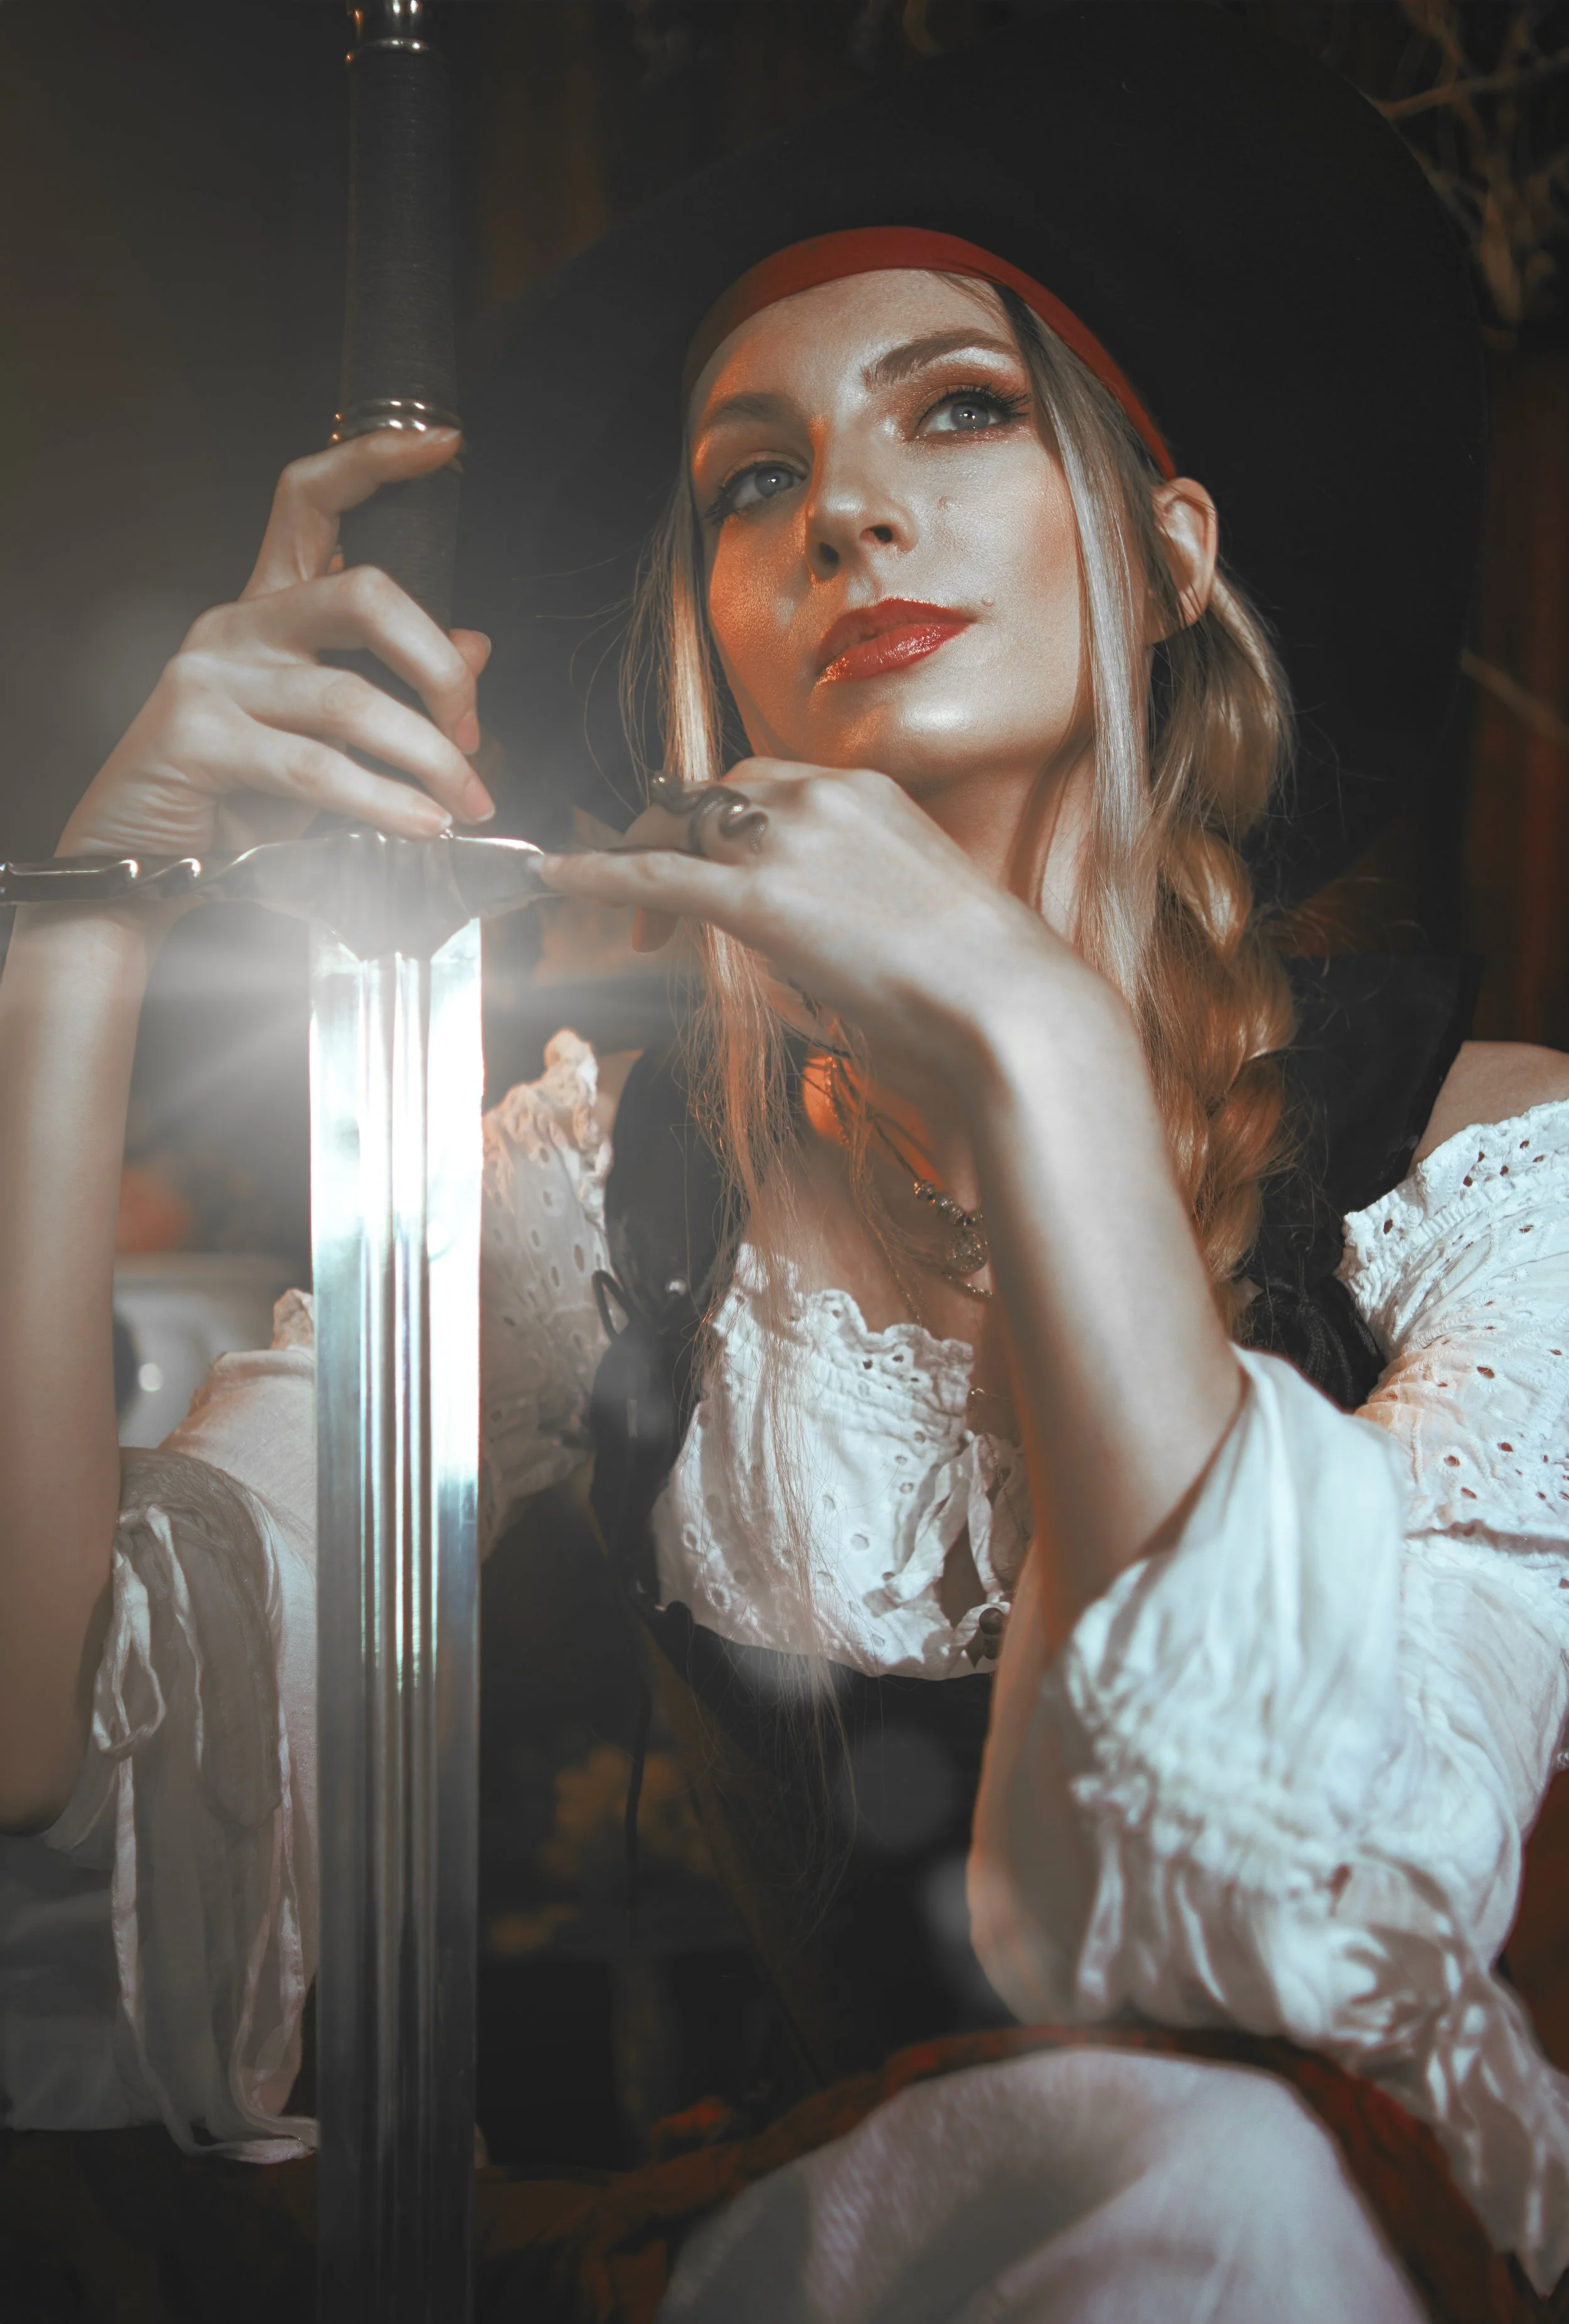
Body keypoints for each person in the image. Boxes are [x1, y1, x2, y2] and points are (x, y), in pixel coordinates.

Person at [3, 7, 1568, 2317]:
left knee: (1206, 2174)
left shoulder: (1489, 1165)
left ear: (1166, 549)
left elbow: (1276, 1942)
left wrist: (1033, 1043)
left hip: (1308, 2256)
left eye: (961, 408)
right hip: (840, 2255)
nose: (839, 507)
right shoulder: (610, 1193)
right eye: (751, 477)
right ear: (716, 635)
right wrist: (79, 929)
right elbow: (46, 1738)